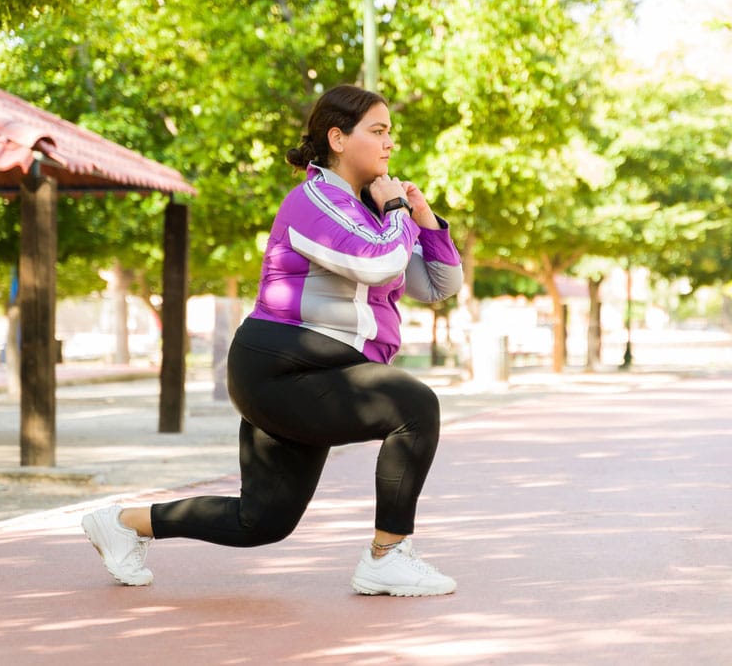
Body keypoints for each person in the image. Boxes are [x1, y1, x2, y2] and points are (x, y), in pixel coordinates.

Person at [82, 84, 463, 597]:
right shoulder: (313, 202)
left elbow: (437, 285)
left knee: (261, 521)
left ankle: (124, 523)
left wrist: (426, 222)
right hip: (281, 365)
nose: (389, 143)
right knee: (413, 406)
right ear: (338, 138)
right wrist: (397, 209)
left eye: (390, 132)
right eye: (377, 131)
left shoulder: (374, 212)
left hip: (322, 371)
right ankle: (387, 555)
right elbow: (379, 263)